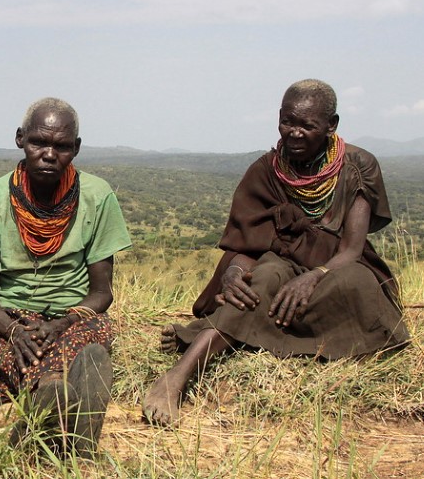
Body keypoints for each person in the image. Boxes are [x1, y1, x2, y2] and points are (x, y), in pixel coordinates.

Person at [142, 79, 410, 427]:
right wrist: (233, 274)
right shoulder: (266, 170)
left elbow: (351, 249)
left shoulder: (358, 166)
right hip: (282, 266)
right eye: (287, 121)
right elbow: (244, 246)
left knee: (358, 285)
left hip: (335, 268)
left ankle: (254, 335)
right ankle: (177, 376)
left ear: (332, 125)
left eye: (307, 126)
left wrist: (315, 277)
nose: (294, 133)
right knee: (260, 279)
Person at [0, 97, 131, 457]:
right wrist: (14, 330)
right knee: (9, 350)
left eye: (62, 146)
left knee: (95, 330)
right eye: (39, 142)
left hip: (74, 317)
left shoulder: (98, 197)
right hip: (11, 320)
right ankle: (66, 409)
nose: (49, 154)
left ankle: (44, 405)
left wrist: (62, 322)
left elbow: (102, 293)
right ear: (20, 139)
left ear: (76, 149)